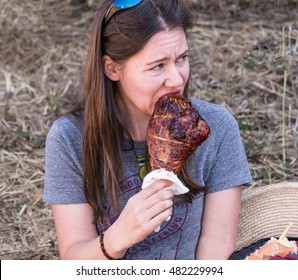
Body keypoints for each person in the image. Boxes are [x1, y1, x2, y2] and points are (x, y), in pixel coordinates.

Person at [43, 0, 252, 260]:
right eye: (157, 66)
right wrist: (118, 238)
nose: (177, 80)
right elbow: (73, 260)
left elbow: (216, 245)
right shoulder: (71, 138)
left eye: (182, 58)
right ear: (112, 68)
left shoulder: (214, 127)